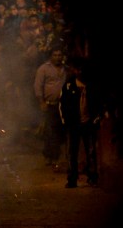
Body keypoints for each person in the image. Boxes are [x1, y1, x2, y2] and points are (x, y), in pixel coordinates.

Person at [59, 58, 102, 188]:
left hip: (88, 123)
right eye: (78, 69)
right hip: (73, 125)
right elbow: (62, 105)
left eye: (82, 70)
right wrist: (66, 122)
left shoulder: (92, 87)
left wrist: (95, 120)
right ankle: (72, 179)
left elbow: (98, 105)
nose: (80, 72)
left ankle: (92, 177)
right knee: (72, 153)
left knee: (90, 151)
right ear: (75, 71)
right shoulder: (68, 86)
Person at [33, 47, 67, 169]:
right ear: (51, 56)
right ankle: (50, 156)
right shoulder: (44, 69)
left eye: (60, 55)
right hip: (49, 105)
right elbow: (38, 86)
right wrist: (41, 101)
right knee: (50, 132)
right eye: (55, 55)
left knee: (59, 131)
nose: (58, 57)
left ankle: (56, 155)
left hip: (63, 105)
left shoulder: (65, 69)